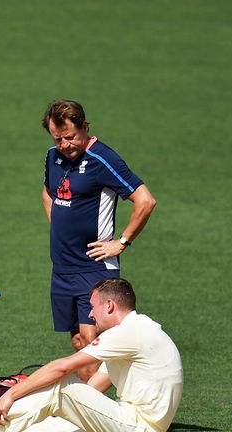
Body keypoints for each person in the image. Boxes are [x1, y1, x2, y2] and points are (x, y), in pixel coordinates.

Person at [0, 278, 181, 432]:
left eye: (92, 307)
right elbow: (91, 390)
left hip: (137, 425)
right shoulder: (139, 330)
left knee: (62, 384)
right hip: (136, 422)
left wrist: (9, 396)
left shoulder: (127, 332)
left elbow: (62, 368)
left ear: (109, 305)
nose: (89, 314)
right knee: (45, 426)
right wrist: (55, 408)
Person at [40, 100, 156, 381]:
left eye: (70, 137)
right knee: (80, 341)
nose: (65, 144)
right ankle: (89, 411)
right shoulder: (52, 157)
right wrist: (60, 229)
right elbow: (47, 192)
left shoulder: (103, 160)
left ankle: (93, 417)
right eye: (58, 139)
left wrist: (122, 242)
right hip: (63, 268)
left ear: (85, 128)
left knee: (93, 344)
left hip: (93, 269)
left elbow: (145, 200)